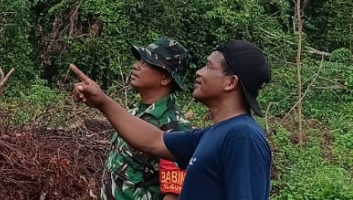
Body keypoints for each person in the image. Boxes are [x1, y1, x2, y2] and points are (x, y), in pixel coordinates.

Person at [72, 39, 272, 200]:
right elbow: (155, 141)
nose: (199, 72)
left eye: (209, 67)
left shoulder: (242, 137)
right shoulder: (212, 134)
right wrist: (102, 102)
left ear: (230, 82)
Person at [99, 37, 192, 200]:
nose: (136, 66)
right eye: (139, 60)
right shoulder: (135, 111)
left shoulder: (174, 128)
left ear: (165, 78)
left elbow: (172, 195)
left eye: (146, 63)